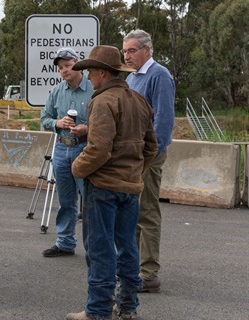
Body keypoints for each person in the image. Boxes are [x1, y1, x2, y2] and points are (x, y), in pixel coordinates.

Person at [66, 45, 158, 320]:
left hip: (103, 186)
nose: (90, 78)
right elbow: (151, 147)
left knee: (100, 249)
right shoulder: (138, 100)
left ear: (103, 73)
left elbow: (100, 148)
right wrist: (134, 173)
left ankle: (97, 311)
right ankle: (128, 306)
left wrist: (77, 168)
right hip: (129, 188)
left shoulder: (103, 101)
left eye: (91, 72)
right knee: (127, 245)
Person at [123, 29, 176, 293]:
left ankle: (149, 273)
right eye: (125, 51)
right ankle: (133, 269)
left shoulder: (159, 76)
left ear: (147, 50)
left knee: (147, 212)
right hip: (133, 155)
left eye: (132, 50)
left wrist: (148, 156)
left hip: (149, 155)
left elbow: (164, 122)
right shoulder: (132, 78)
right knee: (131, 212)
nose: (127, 55)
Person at [40, 47, 94, 257]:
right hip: (62, 147)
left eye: (68, 65)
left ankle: (94, 247)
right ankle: (65, 242)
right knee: (65, 199)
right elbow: (44, 119)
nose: (64, 70)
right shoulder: (56, 91)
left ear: (78, 64)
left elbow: (105, 120)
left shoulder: (93, 89)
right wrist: (57, 122)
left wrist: (87, 128)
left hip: (85, 147)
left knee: (89, 200)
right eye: (61, 67)